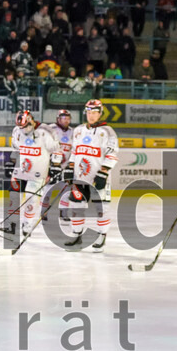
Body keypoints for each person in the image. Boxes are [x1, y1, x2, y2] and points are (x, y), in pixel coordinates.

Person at [60, 99, 119, 250]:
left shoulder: (108, 131)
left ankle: (101, 236)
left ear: (100, 114)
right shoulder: (79, 130)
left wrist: (104, 172)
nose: (91, 115)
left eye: (94, 113)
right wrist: (70, 167)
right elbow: (74, 151)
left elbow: (112, 154)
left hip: (97, 177)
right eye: (89, 112)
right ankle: (77, 235)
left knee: (101, 208)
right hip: (80, 178)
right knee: (75, 206)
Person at [4, 110, 62, 239]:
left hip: (38, 171)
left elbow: (57, 150)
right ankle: (12, 223)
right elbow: (16, 149)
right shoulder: (17, 130)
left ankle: (27, 224)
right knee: (14, 197)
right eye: (20, 127)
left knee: (32, 198)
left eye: (25, 127)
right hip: (20, 170)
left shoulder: (46, 131)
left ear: (31, 121)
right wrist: (11, 162)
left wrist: (55, 166)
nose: (23, 130)